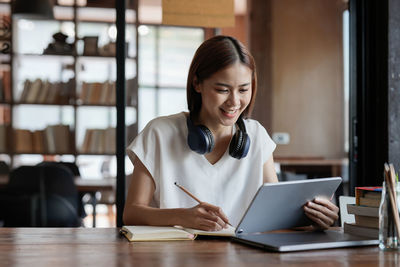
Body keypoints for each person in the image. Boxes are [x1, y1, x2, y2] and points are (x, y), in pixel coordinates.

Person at [123, 35, 339, 231]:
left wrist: (317, 218)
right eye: (222, 90)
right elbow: (131, 213)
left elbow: (276, 215)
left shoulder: (256, 136)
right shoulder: (159, 133)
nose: (234, 102)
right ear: (197, 83)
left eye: (243, 90)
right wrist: (183, 217)